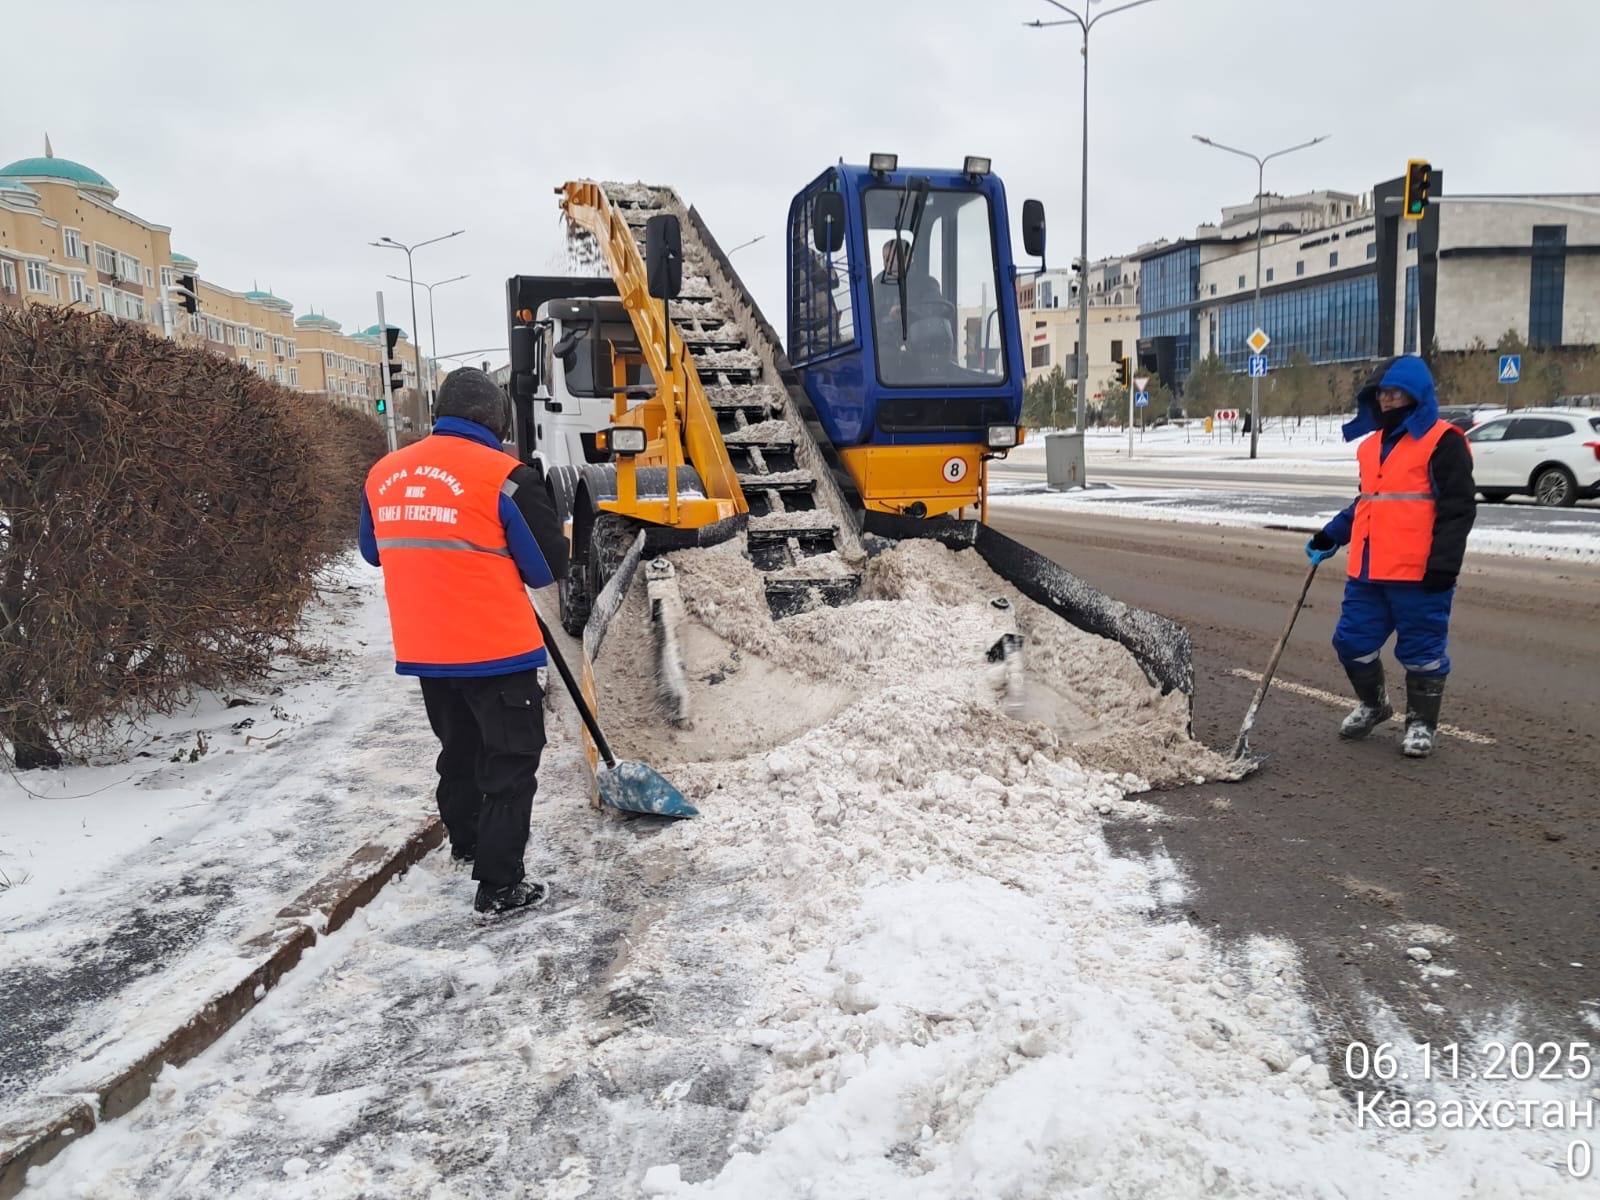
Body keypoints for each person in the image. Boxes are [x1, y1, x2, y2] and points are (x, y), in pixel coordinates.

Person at [359, 367, 570, 916]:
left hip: (427, 650)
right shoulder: (508, 478)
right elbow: (547, 568)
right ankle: (500, 885)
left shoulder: (383, 475)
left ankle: (467, 841)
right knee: (510, 762)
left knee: (459, 750)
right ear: (497, 420)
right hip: (497, 652)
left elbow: (373, 551)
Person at [1305, 355, 1475, 759]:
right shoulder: (1370, 447)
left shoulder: (1443, 441)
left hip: (1420, 573)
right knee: (1351, 642)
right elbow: (1368, 502)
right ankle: (1375, 704)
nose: (1387, 400)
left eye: (1396, 392)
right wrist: (1332, 534)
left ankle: (1420, 724)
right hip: (1367, 571)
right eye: (1382, 393)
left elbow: (1458, 510)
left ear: (1418, 395)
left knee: (1423, 653)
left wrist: (1445, 565)